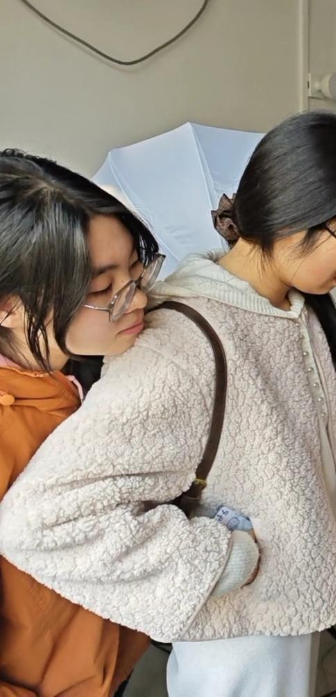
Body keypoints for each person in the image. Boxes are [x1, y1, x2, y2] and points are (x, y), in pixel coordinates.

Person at [0, 113, 336, 697]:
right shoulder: (177, 343)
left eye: (137, 272)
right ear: (296, 220)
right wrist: (222, 559)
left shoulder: (295, 309)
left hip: (287, 597)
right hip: (238, 625)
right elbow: (42, 522)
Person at [0, 150, 153, 695]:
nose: (138, 299)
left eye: (137, 272)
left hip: (111, 659)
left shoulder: (84, 372)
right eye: (100, 290)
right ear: (7, 305)